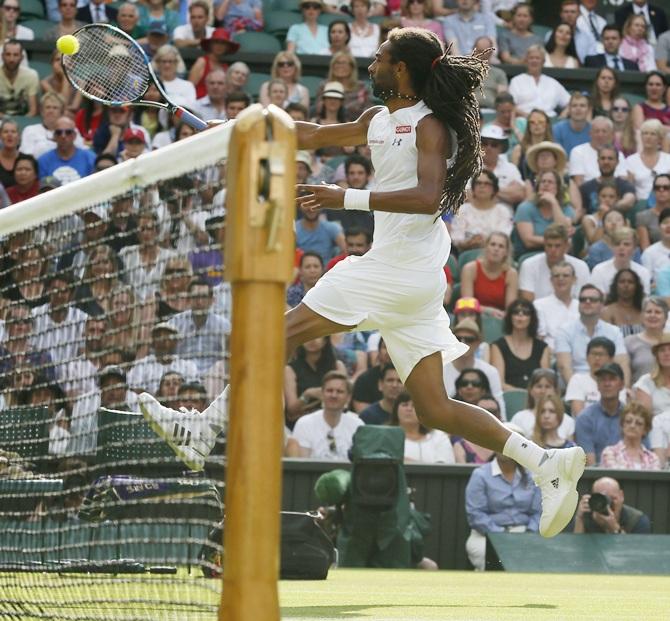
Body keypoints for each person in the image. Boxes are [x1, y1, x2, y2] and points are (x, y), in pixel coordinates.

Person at [141, 28, 586, 539]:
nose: (369, 64)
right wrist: (233, 130)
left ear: (400, 69)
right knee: (434, 408)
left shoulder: (430, 128)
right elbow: (307, 134)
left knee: (275, 334)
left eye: (378, 57)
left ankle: (204, 429)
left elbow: (427, 198)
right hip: (410, 278)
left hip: (398, 268)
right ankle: (546, 462)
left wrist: (343, 197)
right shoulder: (375, 119)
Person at [464, 423, 541, 570]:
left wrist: (529, 534)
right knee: (484, 556)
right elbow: (476, 515)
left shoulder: (533, 476)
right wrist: (501, 536)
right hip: (486, 536)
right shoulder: (480, 475)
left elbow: (539, 513)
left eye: (509, 443)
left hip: (524, 534)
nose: (504, 447)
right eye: (499, 442)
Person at [555, 284, 629, 386]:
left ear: (602, 305)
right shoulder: (564, 331)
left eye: (593, 299)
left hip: (607, 385)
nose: (587, 302)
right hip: (576, 385)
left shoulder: (614, 331)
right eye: (583, 299)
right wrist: (576, 391)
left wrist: (623, 391)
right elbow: (564, 366)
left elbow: (622, 363)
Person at [286, 371, 363, 460]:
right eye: (329, 391)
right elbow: (303, 465)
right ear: (322, 394)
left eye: (340, 391)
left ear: (348, 397)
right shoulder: (304, 424)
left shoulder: (358, 425)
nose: (334, 395)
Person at [168, 278, 231, 376]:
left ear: (211, 301)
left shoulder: (223, 326)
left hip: (212, 378)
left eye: (203, 297)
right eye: (195, 297)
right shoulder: (175, 323)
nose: (199, 301)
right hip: (182, 376)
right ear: (188, 300)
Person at [284, 335, 347, 425]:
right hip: (302, 422)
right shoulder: (290, 369)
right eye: (307, 336)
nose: (312, 340)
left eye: (318, 336)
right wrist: (307, 394)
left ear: (325, 340)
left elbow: (345, 399)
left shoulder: (337, 366)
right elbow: (291, 410)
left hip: (333, 419)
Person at [518, 224, 590, 302]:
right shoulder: (529, 265)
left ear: (566, 246)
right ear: (544, 245)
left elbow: (586, 298)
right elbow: (527, 302)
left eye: (557, 246)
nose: (553, 250)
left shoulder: (581, 267)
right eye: (549, 245)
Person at [490, 298, 550, 391]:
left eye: (526, 312)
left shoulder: (542, 348)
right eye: (516, 312)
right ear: (510, 316)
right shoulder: (498, 346)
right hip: (509, 398)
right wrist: (521, 395)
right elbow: (499, 383)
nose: (520, 315)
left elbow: (545, 384)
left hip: (536, 399)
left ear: (532, 318)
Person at [512, 171, 575, 257]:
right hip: (531, 253)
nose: (545, 184)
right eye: (543, 182)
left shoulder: (566, 209)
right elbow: (528, 241)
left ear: (558, 188)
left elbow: (563, 231)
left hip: (560, 254)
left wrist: (554, 203)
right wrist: (556, 242)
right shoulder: (525, 208)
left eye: (550, 182)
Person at [575, 362, 627, 465]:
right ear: (597, 385)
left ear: (621, 385)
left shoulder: (632, 417)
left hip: (631, 474)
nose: (607, 384)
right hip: (597, 477)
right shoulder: (585, 418)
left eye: (612, 379)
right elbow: (591, 464)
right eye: (603, 379)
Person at [127, 322, 200, 394]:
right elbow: (134, 389)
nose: (163, 339)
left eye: (168, 336)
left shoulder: (188, 366)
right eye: (159, 336)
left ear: (175, 342)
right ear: (153, 342)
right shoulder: (141, 365)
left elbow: (194, 391)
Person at [450, 172, 513, 252]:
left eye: (487, 183)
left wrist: (485, 240)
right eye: (478, 183)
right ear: (473, 188)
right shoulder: (462, 210)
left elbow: (504, 237)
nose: (482, 186)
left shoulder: (503, 211)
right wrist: (468, 242)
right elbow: (456, 238)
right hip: (466, 252)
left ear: (494, 189)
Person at [460, 231, 518, 318]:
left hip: (501, 318)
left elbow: (510, 309)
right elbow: (467, 303)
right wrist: (488, 311)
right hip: (473, 316)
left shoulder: (511, 274)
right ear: (486, 248)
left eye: (501, 246)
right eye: (493, 244)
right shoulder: (470, 269)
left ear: (506, 252)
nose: (496, 249)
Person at [565, 336, 624, 417]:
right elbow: (579, 415)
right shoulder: (577, 380)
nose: (597, 358)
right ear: (587, 357)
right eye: (593, 354)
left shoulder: (616, 383)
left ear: (611, 359)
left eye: (601, 354)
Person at [573, 476, 652, 534]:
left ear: (621, 496)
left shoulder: (637, 520)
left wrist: (615, 529)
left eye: (612, 498)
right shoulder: (585, 516)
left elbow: (635, 551)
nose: (607, 504)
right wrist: (579, 519)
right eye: (602, 499)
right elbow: (575, 549)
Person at [391, 391, 454, 463]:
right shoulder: (387, 437)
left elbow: (445, 467)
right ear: (396, 410)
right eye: (405, 405)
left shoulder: (439, 437)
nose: (409, 409)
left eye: (414, 406)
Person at [508, 45, 570, 118]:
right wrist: (530, 117)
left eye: (538, 58)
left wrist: (561, 118)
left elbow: (570, 102)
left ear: (543, 62)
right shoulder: (516, 81)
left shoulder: (553, 83)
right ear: (526, 61)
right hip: (525, 120)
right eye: (531, 58)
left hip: (550, 121)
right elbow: (510, 106)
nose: (534, 60)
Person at [576, 145, 636, 219]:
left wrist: (608, 209)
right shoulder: (586, 187)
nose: (606, 162)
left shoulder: (625, 185)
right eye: (603, 158)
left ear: (617, 162)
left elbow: (629, 201)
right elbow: (581, 212)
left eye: (610, 159)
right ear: (598, 161)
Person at [533, 260, 580, 350]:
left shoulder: (581, 306)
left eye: (565, 276)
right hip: (551, 355)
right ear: (551, 280)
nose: (561, 279)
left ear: (574, 280)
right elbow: (539, 339)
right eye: (556, 276)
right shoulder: (539, 305)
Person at [590, 228, 651, 298]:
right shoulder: (599, 270)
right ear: (611, 247)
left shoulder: (643, 272)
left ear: (634, 249)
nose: (621, 248)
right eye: (617, 244)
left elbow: (644, 300)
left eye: (626, 244)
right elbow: (598, 299)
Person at [37, 116, 96, 185]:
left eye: (68, 132)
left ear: (74, 135)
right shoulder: (43, 161)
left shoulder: (90, 158)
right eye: (59, 132)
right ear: (54, 136)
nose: (63, 136)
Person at [569, 117, 626, 188]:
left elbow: (623, 181)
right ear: (590, 133)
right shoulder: (578, 152)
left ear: (611, 135)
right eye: (597, 131)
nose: (600, 135)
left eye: (604, 131)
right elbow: (579, 183)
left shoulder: (619, 154)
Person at [600, 402, 659, 470]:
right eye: (628, 421)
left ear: (645, 430)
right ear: (622, 425)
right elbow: (615, 477)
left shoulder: (653, 458)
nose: (632, 426)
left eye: (638, 423)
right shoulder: (610, 453)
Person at [479, 125, 525, 209]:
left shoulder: (511, 168)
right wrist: (504, 192)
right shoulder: (469, 168)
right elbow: (464, 195)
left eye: (494, 144)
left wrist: (484, 190)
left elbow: (520, 193)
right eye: (485, 143)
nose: (489, 148)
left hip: (505, 219)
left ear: (501, 147)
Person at [625, 296, 668, 383]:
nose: (653, 315)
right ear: (641, 316)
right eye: (648, 312)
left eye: (658, 312)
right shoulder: (629, 342)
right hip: (638, 393)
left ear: (665, 317)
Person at [189, 29, 240, 100]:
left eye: (223, 43)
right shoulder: (202, 62)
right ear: (211, 44)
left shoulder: (226, 67)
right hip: (198, 104)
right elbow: (189, 87)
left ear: (227, 47)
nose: (219, 46)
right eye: (216, 42)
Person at [600, 268, 644, 337]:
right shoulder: (607, 312)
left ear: (636, 287)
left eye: (630, 282)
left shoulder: (644, 311)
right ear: (616, 286)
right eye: (622, 282)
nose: (626, 285)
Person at [633, 333, 670, 417]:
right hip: (656, 428)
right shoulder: (645, 382)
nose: (667, 353)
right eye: (662, 350)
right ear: (657, 356)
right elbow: (644, 418)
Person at [510, 108, 553, 179]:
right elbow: (513, 177)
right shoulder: (519, 150)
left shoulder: (554, 148)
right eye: (532, 122)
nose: (536, 124)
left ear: (547, 124)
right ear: (528, 125)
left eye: (541, 122)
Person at [0, 40, 38, 118]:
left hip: (24, 120)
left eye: (15, 55)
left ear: (22, 57)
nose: (11, 59)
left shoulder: (31, 75)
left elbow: (33, 111)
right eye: (8, 54)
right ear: (2, 56)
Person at [551, 93, 590, 158]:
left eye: (582, 106)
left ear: (588, 109)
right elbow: (557, 156)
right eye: (574, 106)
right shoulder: (557, 129)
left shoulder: (594, 130)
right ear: (569, 109)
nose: (578, 109)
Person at [637, 177, 670, 251]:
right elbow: (646, 249)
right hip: (655, 258)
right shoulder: (642, 216)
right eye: (657, 187)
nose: (661, 190)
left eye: (666, 187)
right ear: (654, 191)